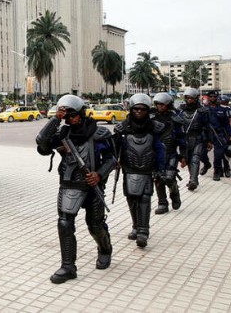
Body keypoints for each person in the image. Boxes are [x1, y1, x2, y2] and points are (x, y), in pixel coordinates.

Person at [36, 95, 116, 284]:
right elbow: (42, 142)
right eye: (67, 116)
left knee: (95, 225)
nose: (70, 119)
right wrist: (55, 119)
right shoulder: (63, 134)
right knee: (65, 223)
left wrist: (99, 174)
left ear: (82, 113)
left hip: (93, 186)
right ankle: (68, 267)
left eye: (73, 115)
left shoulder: (99, 133)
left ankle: (105, 249)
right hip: (70, 185)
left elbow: (112, 159)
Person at [113, 94, 166, 248]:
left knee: (144, 198)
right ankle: (136, 226)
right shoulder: (122, 128)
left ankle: (143, 231)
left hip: (147, 169)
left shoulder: (155, 128)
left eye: (143, 109)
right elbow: (114, 149)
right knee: (132, 198)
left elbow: (160, 149)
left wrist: (161, 169)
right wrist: (113, 163)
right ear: (131, 109)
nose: (139, 112)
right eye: (136, 109)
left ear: (148, 110)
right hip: (129, 169)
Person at [151, 93, 185, 214]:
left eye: (162, 104)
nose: (160, 106)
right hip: (156, 154)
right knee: (158, 178)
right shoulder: (151, 119)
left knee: (169, 177)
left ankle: (174, 193)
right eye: (158, 104)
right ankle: (162, 203)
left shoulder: (175, 119)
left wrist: (184, 156)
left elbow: (182, 138)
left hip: (171, 153)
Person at [178, 88, 211, 191]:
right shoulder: (180, 110)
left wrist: (209, 140)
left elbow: (207, 126)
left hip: (198, 137)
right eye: (188, 98)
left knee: (195, 158)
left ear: (196, 98)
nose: (189, 100)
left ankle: (194, 181)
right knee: (188, 159)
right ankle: (192, 178)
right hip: (185, 139)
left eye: (192, 98)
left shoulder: (202, 111)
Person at [204, 91, 231, 181]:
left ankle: (217, 171)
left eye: (214, 96)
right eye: (211, 96)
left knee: (219, 154)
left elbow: (227, 124)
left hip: (219, 134)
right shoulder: (204, 109)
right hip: (207, 134)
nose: (213, 98)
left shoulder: (223, 109)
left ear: (217, 97)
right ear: (208, 97)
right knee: (201, 153)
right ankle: (206, 165)